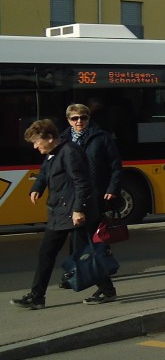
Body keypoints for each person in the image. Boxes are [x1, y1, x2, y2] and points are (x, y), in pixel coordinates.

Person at [11, 119, 114, 308]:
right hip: (60, 212)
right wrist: (37, 187)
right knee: (47, 253)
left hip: (73, 213)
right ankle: (37, 296)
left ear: (50, 138)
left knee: (85, 254)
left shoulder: (69, 152)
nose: (35, 146)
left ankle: (107, 290)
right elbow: (45, 172)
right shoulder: (53, 153)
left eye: (36, 141)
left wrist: (78, 210)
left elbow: (82, 183)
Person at [32, 103, 123, 288]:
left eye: (83, 117)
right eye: (75, 118)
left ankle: (97, 282)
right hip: (70, 199)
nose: (79, 121)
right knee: (78, 246)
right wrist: (37, 186)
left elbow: (115, 166)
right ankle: (78, 278)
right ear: (68, 120)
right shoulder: (62, 140)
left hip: (93, 195)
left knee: (85, 244)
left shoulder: (101, 137)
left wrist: (112, 189)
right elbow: (46, 168)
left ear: (89, 119)